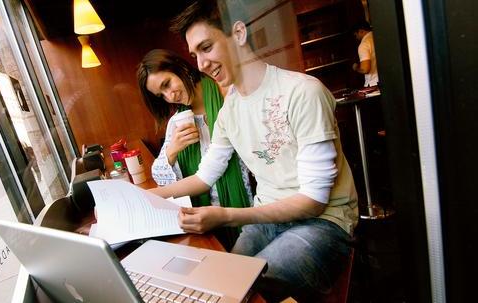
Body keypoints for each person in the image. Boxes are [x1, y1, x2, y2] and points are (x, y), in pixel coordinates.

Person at [149, 1, 359, 301]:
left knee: (243, 291)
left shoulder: (303, 92)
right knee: (219, 285)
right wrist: (143, 197)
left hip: (325, 224)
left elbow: (314, 201)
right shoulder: (228, 113)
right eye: (195, 55)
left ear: (238, 34)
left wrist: (226, 216)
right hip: (267, 220)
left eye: (207, 47)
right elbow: (204, 177)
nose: (201, 64)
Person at [137, 49, 253, 249]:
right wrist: (172, 150)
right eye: (161, 94)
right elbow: (159, 176)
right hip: (204, 216)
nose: (169, 96)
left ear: (180, 68)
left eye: (167, 84)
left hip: (247, 207)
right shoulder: (177, 121)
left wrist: (142, 197)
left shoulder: (226, 96)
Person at [352, 21, 378, 87]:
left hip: (373, 83)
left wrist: (356, 68)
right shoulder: (379, 37)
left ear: (361, 31)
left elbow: (365, 69)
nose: (356, 38)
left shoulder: (364, 45)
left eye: (356, 35)